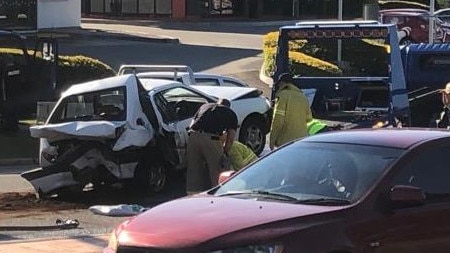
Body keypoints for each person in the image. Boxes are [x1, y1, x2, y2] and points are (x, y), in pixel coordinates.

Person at [186, 98, 238, 194]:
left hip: (193, 136)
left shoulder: (205, 106)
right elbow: (230, 138)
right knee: (217, 168)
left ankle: (192, 193)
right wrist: (224, 152)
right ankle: (218, 193)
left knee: (194, 168)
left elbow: (192, 124)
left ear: (217, 102)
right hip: (211, 138)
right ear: (228, 106)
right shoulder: (230, 113)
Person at [270, 73, 312, 150]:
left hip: (286, 141)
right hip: (302, 139)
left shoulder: (282, 96)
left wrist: (272, 140)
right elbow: (309, 118)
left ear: (282, 83)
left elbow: (278, 121)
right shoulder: (303, 96)